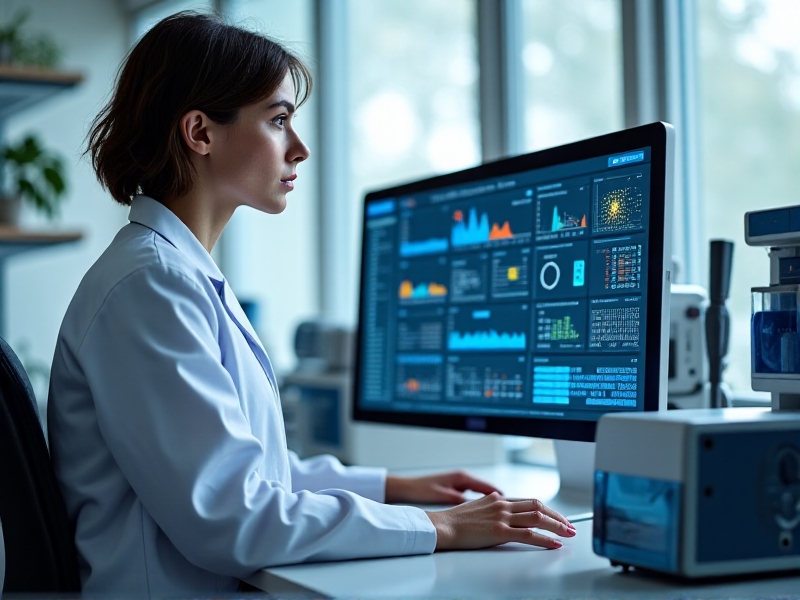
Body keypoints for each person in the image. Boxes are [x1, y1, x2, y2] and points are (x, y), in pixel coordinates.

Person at [47, 12, 576, 596]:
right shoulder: (149, 286)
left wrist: (397, 487)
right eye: (277, 121)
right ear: (200, 132)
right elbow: (234, 519)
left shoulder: (172, 274)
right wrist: (440, 526)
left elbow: (254, 476)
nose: (299, 148)